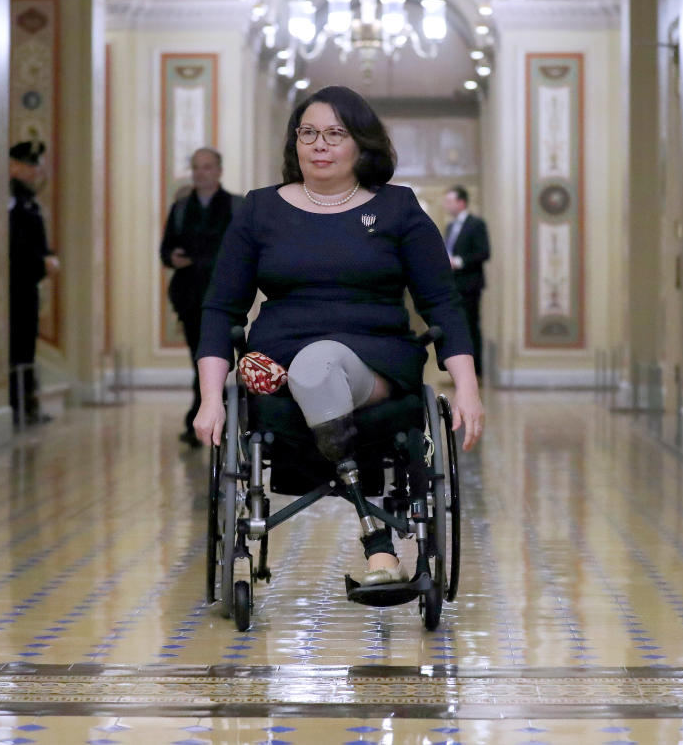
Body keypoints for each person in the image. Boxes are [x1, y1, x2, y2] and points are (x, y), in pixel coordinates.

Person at [192, 86, 485, 587]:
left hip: (377, 366)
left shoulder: (397, 209)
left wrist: (468, 389)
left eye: (334, 134)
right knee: (310, 365)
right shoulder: (261, 211)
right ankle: (379, 543)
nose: (319, 145)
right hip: (279, 365)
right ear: (295, 142)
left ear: (361, 145)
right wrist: (209, 401)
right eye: (308, 133)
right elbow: (222, 308)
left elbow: (443, 303)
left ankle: (376, 542)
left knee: (320, 362)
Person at [160, 147, 242, 447]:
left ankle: (207, 416)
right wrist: (174, 258)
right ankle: (206, 415)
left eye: (206, 167)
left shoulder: (236, 206)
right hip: (191, 297)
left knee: (218, 357)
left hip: (226, 296)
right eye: (196, 167)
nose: (201, 173)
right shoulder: (181, 209)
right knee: (202, 357)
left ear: (218, 170)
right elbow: (166, 251)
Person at [8, 139, 59, 428]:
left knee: (26, 346)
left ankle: (27, 404)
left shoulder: (29, 200)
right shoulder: (10, 199)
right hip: (14, 285)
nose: (34, 171)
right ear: (13, 166)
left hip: (28, 286)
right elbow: (16, 245)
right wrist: (41, 262)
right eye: (29, 165)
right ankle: (17, 405)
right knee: (16, 347)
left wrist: (47, 257)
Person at [442, 185, 491, 377]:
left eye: (449, 201)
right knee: (456, 330)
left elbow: (484, 252)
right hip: (453, 287)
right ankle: (458, 374)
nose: (446, 205)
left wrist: (459, 262)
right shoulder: (450, 226)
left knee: (470, 328)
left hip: (469, 286)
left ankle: (475, 373)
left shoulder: (476, 224)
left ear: (461, 202)